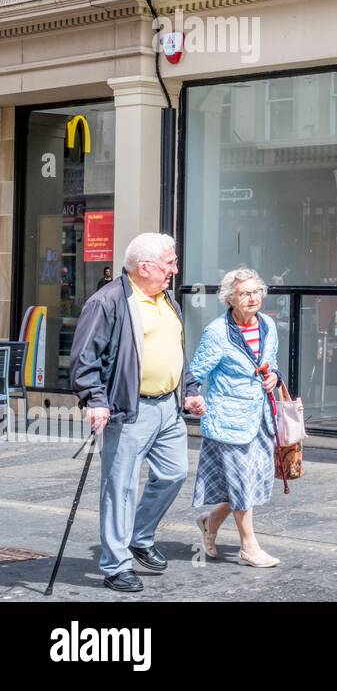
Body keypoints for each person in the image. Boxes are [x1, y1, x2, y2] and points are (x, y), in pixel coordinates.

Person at [71, 232, 204, 593]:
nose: (175, 270)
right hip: (128, 409)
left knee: (175, 473)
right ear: (144, 267)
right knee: (121, 489)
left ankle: (138, 535)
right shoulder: (108, 302)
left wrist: (189, 390)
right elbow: (84, 359)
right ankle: (116, 565)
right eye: (169, 264)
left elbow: (177, 351)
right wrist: (95, 399)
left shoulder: (166, 300)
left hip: (168, 409)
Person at [191, 267, 283, 568]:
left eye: (257, 292)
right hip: (229, 419)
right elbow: (195, 373)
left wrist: (274, 376)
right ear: (230, 298)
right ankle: (248, 547)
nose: (253, 298)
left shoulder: (268, 325)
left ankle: (210, 521)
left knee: (250, 480)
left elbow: (272, 363)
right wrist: (193, 399)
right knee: (242, 482)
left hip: (261, 418)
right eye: (245, 293)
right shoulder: (217, 333)